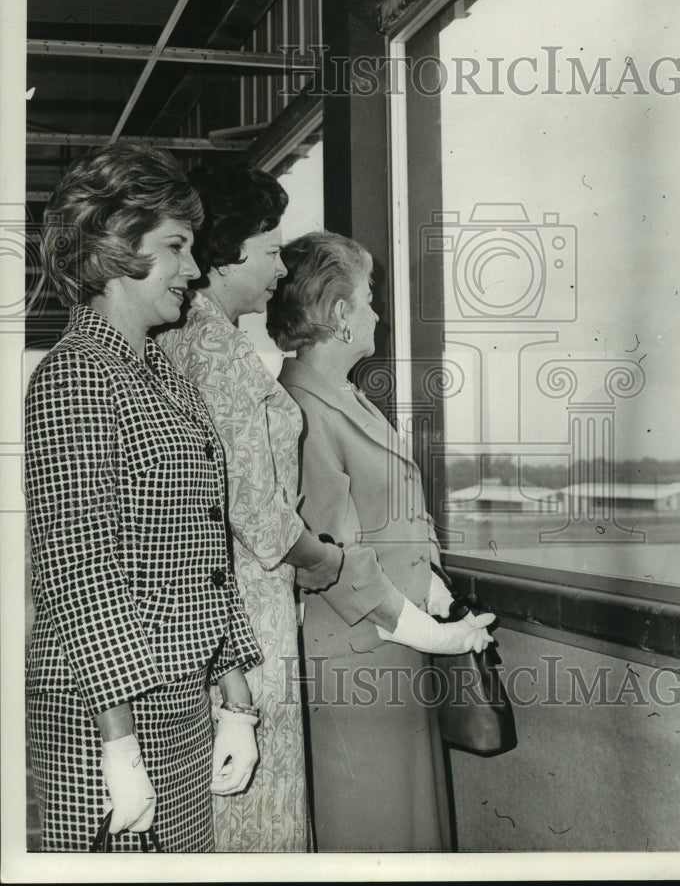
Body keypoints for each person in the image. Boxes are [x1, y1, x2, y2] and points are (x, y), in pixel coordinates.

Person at [25, 144, 262, 853]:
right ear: (111, 250)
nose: (193, 270)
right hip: (106, 716)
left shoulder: (160, 372)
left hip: (180, 704)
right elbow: (81, 574)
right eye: (175, 247)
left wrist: (237, 700)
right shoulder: (77, 378)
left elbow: (203, 549)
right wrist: (120, 748)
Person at [267, 231, 495, 852]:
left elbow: (392, 523)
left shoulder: (348, 400)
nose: (378, 313)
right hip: (359, 658)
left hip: (394, 645)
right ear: (339, 315)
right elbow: (331, 557)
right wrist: (433, 632)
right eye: (369, 298)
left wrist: (437, 597)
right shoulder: (298, 409)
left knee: (412, 828)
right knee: (377, 833)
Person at [156, 162, 345, 852]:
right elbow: (250, 507)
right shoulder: (215, 350)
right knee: (258, 803)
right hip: (247, 608)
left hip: (216, 605)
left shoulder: (192, 338)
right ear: (224, 253)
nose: (280, 269)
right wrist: (322, 558)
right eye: (270, 250)